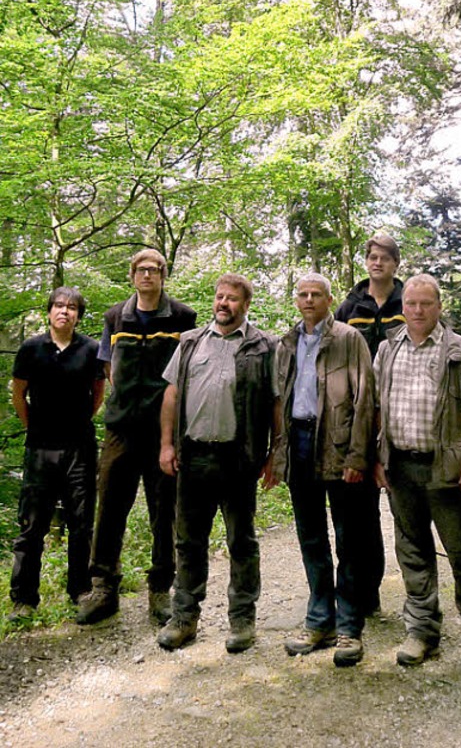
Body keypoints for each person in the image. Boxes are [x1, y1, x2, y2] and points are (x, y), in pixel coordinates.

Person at [374, 273, 461, 679]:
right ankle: (422, 631)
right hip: (400, 467)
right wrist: (376, 455)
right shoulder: (386, 349)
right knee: (412, 553)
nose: (416, 310)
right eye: (410, 303)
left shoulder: (459, 351)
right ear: (402, 306)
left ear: (438, 306)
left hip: (446, 469)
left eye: (425, 303)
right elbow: (377, 407)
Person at [156, 274, 281, 652]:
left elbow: (276, 403)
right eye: (219, 297)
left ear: (245, 305)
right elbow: (172, 395)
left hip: (239, 458)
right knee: (188, 541)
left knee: (241, 541)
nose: (223, 304)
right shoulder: (191, 342)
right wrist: (166, 445)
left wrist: (277, 452)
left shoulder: (263, 346)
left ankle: (242, 620)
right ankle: (184, 617)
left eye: (232, 299)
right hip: (193, 456)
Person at [77, 249, 196, 626]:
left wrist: (172, 431)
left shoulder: (183, 317)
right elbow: (109, 368)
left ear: (163, 275)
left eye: (154, 270)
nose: (147, 275)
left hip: (163, 431)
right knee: (110, 505)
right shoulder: (115, 317)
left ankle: (161, 589)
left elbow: (187, 372)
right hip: (120, 430)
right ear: (132, 276)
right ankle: (104, 588)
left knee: (164, 511)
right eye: (141, 270)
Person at [274, 273, 374, 668]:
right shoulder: (287, 342)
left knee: (350, 538)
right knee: (311, 537)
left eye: (317, 294)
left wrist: (357, 456)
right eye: (303, 293)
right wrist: (277, 453)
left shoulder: (349, 339)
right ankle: (320, 619)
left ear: (330, 299)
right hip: (299, 443)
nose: (309, 299)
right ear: (296, 300)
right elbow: (278, 400)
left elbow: (366, 399)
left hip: (338, 443)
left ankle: (350, 625)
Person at [10, 287, 104, 621]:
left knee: (81, 524)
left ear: (79, 314)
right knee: (32, 525)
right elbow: (19, 395)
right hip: (39, 449)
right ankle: (23, 600)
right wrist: (34, 427)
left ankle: (79, 592)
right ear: (49, 311)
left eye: (72, 307)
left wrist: (76, 423)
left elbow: (98, 394)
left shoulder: (91, 349)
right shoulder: (31, 348)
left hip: (80, 448)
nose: (65, 311)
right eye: (59, 306)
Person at [334, 232, 404, 616]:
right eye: (372, 257)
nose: (377, 263)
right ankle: (366, 593)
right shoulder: (350, 306)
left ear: (395, 263)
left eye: (385, 258)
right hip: (359, 418)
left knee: (406, 510)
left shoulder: (407, 301)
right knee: (360, 516)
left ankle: (419, 599)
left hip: (400, 415)